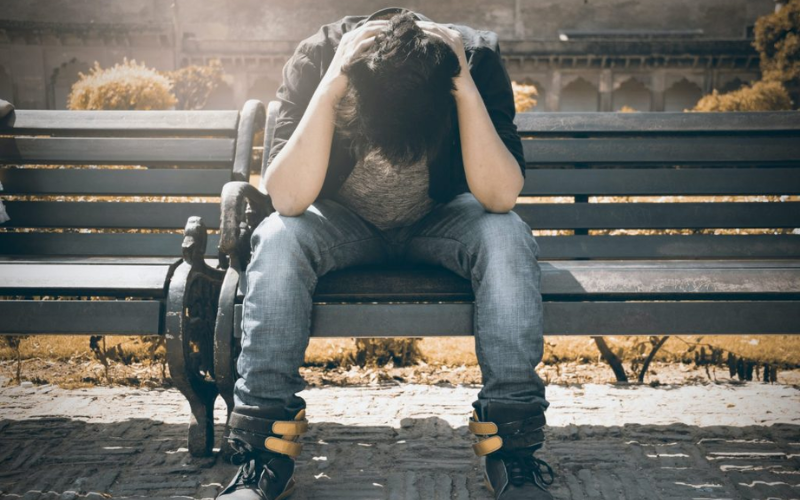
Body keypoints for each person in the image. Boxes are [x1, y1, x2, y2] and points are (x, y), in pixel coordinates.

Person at [216, 7, 554, 500]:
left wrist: (463, 87)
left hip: (441, 219)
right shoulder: (319, 58)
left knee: (507, 235)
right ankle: (263, 452)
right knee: (279, 236)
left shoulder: (474, 60)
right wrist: (331, 86)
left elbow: (500, 196)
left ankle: (512, 450)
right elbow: (287, 198)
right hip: (342, 223)